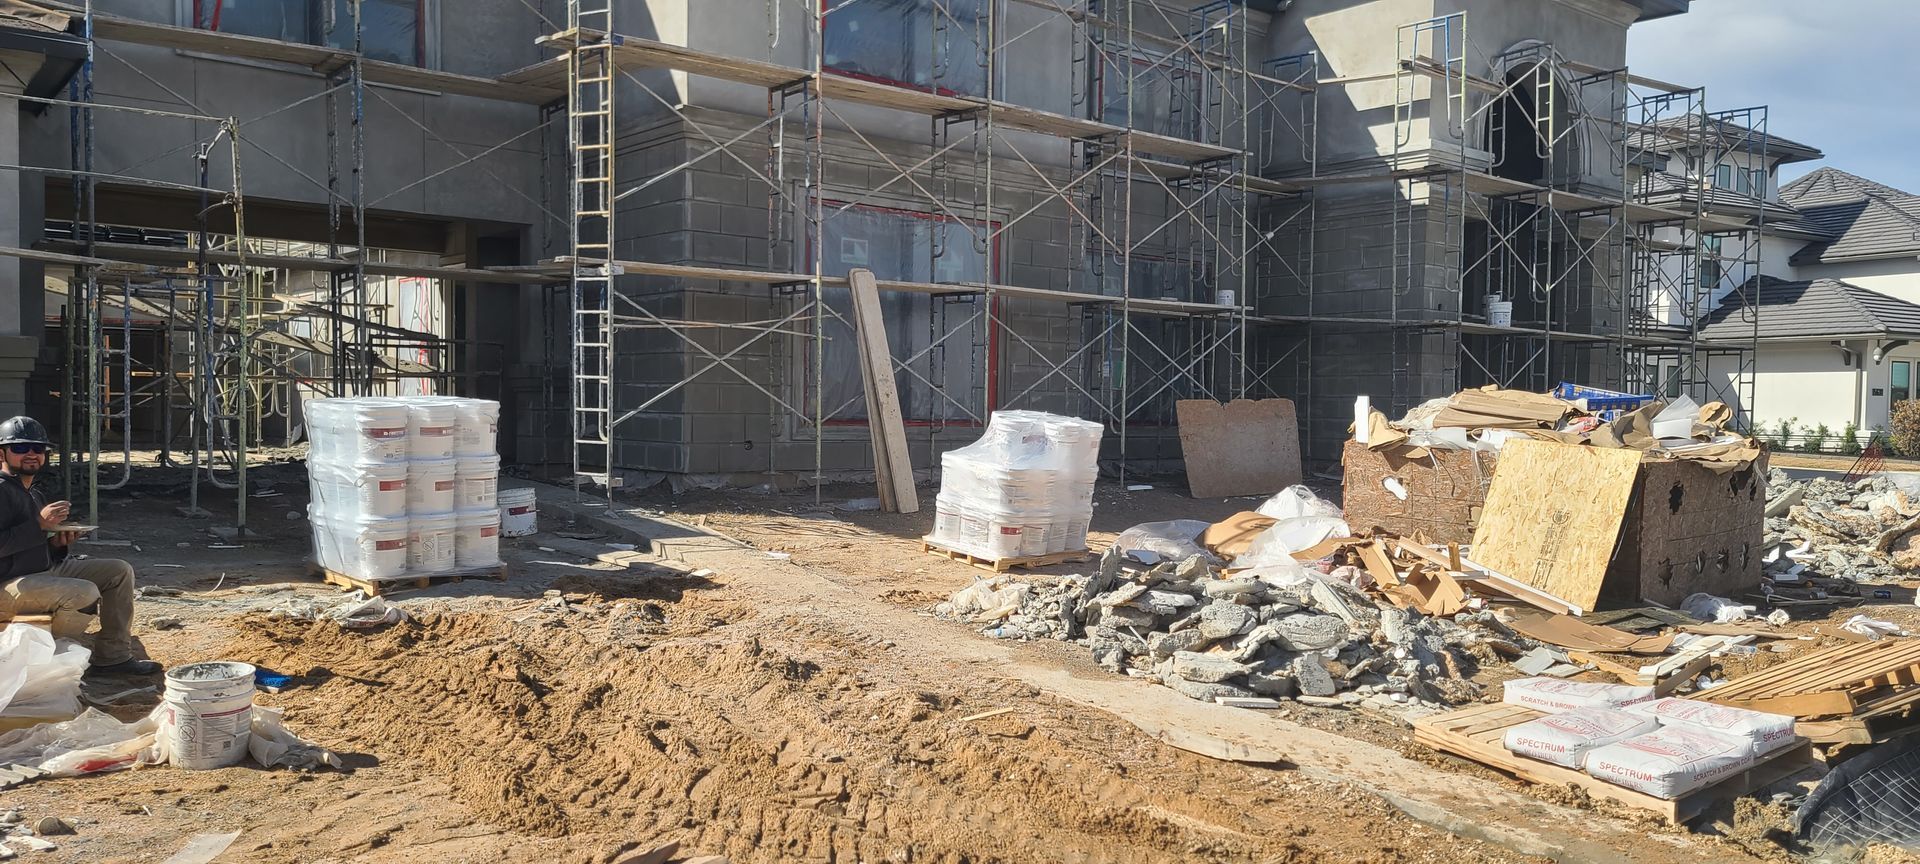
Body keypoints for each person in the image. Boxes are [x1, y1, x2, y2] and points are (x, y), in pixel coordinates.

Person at [0, 416, 158, 676]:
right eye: (20, 448)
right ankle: (55, 662)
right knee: (82, 592)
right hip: (8, 584)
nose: (31, 454)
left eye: (38, 449)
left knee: (118, 571)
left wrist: (57, 543)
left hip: (40, 572)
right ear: (2, 454)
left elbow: (31, 543)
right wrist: (39, 525)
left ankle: (113, 658)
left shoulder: (32, 492)